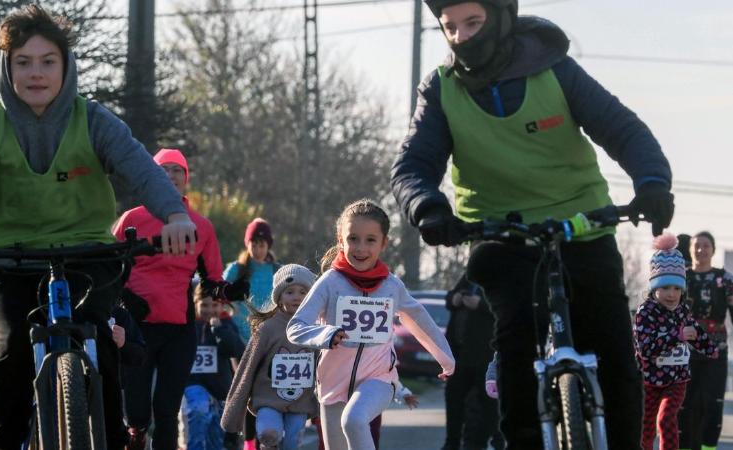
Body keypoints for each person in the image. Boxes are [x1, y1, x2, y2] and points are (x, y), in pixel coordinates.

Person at [390, 0, 675, 446]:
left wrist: (653, 183)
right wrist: (428, 208)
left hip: (582, 225)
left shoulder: (554, 71)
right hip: (498, 234)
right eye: (451, 28)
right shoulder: (441, 90)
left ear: (501, 20)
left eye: (473, 23)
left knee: (616, 357)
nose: (462, 37)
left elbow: (623, 129)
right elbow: (413, 165)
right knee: (515, 349)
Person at [0, 5, 197, 449]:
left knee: (101, 339)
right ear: (7, 67)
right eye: (23, 62)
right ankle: (5, 442)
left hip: (86, 255)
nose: (36, 73)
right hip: (2, 259)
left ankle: (108, 438)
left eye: (48, 61)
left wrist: (176, 216)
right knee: (11, 350)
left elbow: (141, 168)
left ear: (66, 67)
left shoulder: (92, 119)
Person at [287, 199, 454, 450]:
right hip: (333, 384)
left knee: (353, 420)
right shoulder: (329, 282)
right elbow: (296, 327)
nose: (361, 248)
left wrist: (446, 359)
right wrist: (325, 334)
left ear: (383, 243)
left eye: (370, 240)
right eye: (353, 238)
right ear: (340, 240)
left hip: (378, 380)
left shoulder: (392, 286)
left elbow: (419, 318)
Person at [113, 148, 224, 450]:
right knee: (136, 413)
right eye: (164, 169)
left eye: (178, 170)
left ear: (186, 179)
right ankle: (135, 436)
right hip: (138, 328)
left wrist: (231, 294)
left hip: (179, 328)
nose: (172, 175)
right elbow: (108, 270)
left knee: (167, 409)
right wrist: (124, 299)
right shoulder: (131, 219)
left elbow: (214, 278)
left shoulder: (200, 226)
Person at [222, 264, 320, 450]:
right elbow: (247, 368)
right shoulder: (267, 329)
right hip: (268, 399)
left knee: (292, 443)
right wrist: (234, 412)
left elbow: (324, 368)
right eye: (290, 292)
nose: (297, 297)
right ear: (279, 296)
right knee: (268, 433)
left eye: (302, 292)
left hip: (300, 403)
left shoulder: (314, 329)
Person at [634, 234, 717, 450]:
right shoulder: (645, 313)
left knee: (666, 419)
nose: (672, 295)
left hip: (677, 379)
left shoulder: (682, 310)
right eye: (666, 287)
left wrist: (709, 347)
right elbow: (646, 349)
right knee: (646, 429)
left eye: (677, 289)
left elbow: (694, 331)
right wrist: (676, 336)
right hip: (649, 379)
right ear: (654, 288)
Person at [678, 231, 733, 450]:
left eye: (706, 246)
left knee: (712, 403)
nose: (701, 250)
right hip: (683, 352)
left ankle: (708, 447)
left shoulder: (725, 279)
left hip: (715, 351)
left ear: (713, 250)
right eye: (696, 246)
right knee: (685, 404)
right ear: (690, 250)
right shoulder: (680, 278)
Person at [442, 275, 502, 450]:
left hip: (486, 354)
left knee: (490, 403)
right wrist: (455, 299)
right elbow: (449, 298)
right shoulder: (469, 276)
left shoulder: (499, 277)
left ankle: (497, 441)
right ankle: (451, 443)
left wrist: (480, 304)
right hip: (459, 353)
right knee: (453, 399)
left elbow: (504, 308)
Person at [184, 283, 244, 450]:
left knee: (216, 436)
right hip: (192, 383)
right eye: (204, 305)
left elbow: (236, 349)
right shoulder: (187, 326)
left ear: (222, 305)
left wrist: (218, 329)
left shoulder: (225, 324)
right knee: (197, 410)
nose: (210, 310)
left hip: (219, 388)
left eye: (215, 305)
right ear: (195, 304)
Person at [224, 217, 279, 342]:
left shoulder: (276, 269)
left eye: (261, 245)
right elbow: (219, 292)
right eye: (254, 245)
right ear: (247, 245)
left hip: (267, 334)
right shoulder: (237, 269)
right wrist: (231, 307)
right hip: (238, 334)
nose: (258, 250)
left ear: (268, 246)